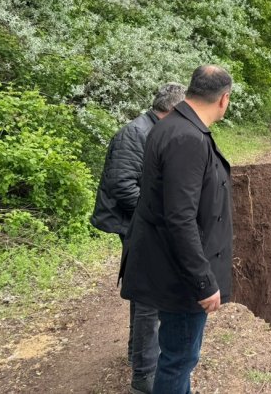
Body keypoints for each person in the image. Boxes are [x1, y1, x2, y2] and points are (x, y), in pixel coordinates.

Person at [120, 65, 233, 394]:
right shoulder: (188, 138)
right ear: (223, 99)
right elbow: (180, 218)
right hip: (179, 276)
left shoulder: (170, 125)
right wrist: (203, 281)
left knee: (177, 356)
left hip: (166, 263)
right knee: (179, 359)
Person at [91, 83, 186, 393]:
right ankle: (145, 376)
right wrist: (157, 216)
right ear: (171, 109)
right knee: (150, 296)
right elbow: (122, 186)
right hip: (138, 224)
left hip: (143, 223)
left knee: (144, 290)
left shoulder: (153, 130)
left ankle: (136, 354)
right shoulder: (135, 133)